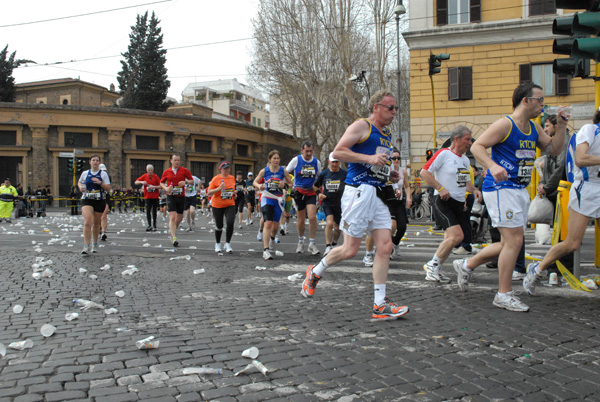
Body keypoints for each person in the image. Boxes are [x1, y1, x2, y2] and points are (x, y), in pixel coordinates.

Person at [453, 83, 567, 312]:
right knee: (514, 241)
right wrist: (493, 166)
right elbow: (478, 147)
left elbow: (554, 150)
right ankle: (503, 293)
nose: (542, 104)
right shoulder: (506, 124)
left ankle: (467, 264)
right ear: (526, 100)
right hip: (500, 188)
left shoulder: (534, 128)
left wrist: (562, 126)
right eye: (539, 99)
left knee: (508, 243)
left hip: (519, 189)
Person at [301, 89, 409, 319]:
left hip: (378, 192)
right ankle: (315, 271)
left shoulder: (386, 133)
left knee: (385, 246)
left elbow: (376, 162)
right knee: (350, 250)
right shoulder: (362, 126)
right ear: (376, 107)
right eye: (390, 108)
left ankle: (380, 303)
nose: (394, 112)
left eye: (396, 108)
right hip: (359, 192)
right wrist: (369, 158)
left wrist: (388, 173)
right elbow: (338, 151)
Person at [523, 110, 600, 295]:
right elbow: (580, 159)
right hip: (586, 188)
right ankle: (538, 269)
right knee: (572, 243)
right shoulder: (590, 129)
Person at [421, 126, 482, 283]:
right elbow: (424, 172)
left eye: (470, 139)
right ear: (457, 139)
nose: (470, 142)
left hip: (458, 204)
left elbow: (464, 182)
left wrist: (473, 190)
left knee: (450, 238)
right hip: (443, 201)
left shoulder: (465, 159)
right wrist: (440, 188)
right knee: (457, 236)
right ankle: (432, 265)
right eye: (467, 139)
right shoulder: (444, 154)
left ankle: (436, 267)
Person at [255, 150, 293, 260]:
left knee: (275, 226)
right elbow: (255, 181)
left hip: (278, 199)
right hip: (267, 198)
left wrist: (284, 185)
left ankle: (272, 238)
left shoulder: (283, 171)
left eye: (278, 158)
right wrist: (259, 186)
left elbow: (290, 184)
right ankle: (265, 250)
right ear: (269, 160)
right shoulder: (265, 171)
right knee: (268, 223)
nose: (276, 160)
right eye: (274, 158)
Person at [286, 140, 322, 254]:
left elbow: (320, 177)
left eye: (311, 151)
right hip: (299, 193)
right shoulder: (297, 160)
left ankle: (311, 243)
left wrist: (320, 190)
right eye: (307, 151)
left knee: (312, 217)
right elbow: (286, 172)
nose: (309, 154)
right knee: (301, 219)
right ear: (302, 150)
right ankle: (301, 241)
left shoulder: (316, 162)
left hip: (311, 193)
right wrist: (289, 185)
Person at [313, 153, 347, 256]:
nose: (335, 164)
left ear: (339, 162)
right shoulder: (324, 174)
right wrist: (319, 194)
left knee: (337, 227)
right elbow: (315, 186)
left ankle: (334, 243)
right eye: (333, 162)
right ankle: (328, 246)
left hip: (340, 204)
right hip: (328, 202)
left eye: (336, 162)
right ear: (329, 162)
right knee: (329, 223)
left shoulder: (345, 174)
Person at [78, 155, 111, 254]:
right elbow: (79, 182)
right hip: (87, 199)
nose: (95, 162)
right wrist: (81, 188)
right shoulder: (85, 173)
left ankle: (95, 243)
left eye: (97, 161)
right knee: (87, 222)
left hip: (99, 200)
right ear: (90, 162)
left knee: (96, 223)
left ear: (99, 163)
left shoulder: (103, 174)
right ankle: (86, 245)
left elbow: (108, 188)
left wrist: (100, 183)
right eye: (93, 160)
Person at [160, 154, 194, 247]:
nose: (177, 162)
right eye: (175, 160)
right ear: (171, 161)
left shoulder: (184, 171)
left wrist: (185, 182)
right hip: (171, 196)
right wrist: (166, 188)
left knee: (179, 218)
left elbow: (192, 181)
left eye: (178, 160)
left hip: (181, 196)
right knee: (173, 217)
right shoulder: (167, 171)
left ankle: (173, 230)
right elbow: (161, 183)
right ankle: (174, 237)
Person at [207, 161, 237, 253]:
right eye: (225, 168)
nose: (227, 170)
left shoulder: (232, 178)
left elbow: (232, 190)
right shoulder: (215, 179)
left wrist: (234, 194)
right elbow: (208, 192)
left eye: (228, 168)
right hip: (218, 205)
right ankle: (218, 243)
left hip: (230, 204)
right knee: (219, 225)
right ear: (220, 169)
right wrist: (219, 188)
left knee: (230, 222)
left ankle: (228, 243)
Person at [135, 164, 161, 232]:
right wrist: (142, 182)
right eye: (149, 170)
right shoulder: (144, 176)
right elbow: (136, 182)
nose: (150, 171)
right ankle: (149, 225)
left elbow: (161, 186)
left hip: (155, 196)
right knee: (148, 210)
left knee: (154, 211)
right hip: (147, 196)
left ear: (153, 170)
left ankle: (155, 225)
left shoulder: (155, 177)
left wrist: (154, 187)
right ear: (147, 170)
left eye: (151, 170)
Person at [98, 163, 110, 241]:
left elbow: (108, 187)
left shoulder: (107, 177)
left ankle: (103, 232)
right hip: (97, 198)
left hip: (105, 198)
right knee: (97, 216)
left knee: (104, 215)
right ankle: (99, 228)